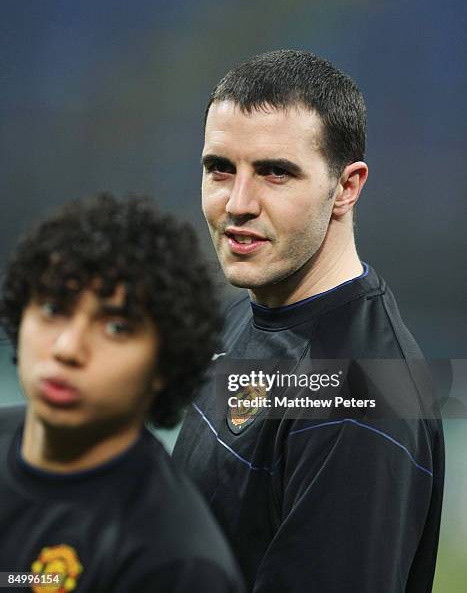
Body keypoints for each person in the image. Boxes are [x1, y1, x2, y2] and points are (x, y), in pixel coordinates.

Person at [172, 50, 444, 592]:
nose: (238, 203)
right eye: (220, 169)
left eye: (276, 173)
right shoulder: (252, 311)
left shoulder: (362, 402)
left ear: (346, 187)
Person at [0, 194, 244, 593]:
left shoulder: (179, 565)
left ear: (163, 364)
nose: (66, 348)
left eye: (115, 327)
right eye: (53, 308)